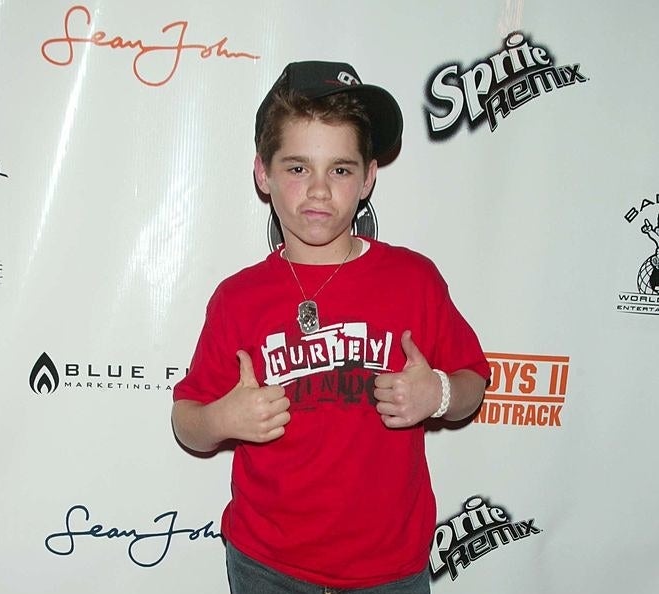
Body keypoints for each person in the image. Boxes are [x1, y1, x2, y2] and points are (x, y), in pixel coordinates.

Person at [172, 60, 490, 594]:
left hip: (388, 568)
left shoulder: (413, 278)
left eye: (339, 170)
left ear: (367, 178)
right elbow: (187, 420)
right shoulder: (237, 298)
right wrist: (223, 417)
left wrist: (436, 393)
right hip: (264, 563)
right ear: (262, 173)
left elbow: (473, 384)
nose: (318, 190)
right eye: (297, 168)